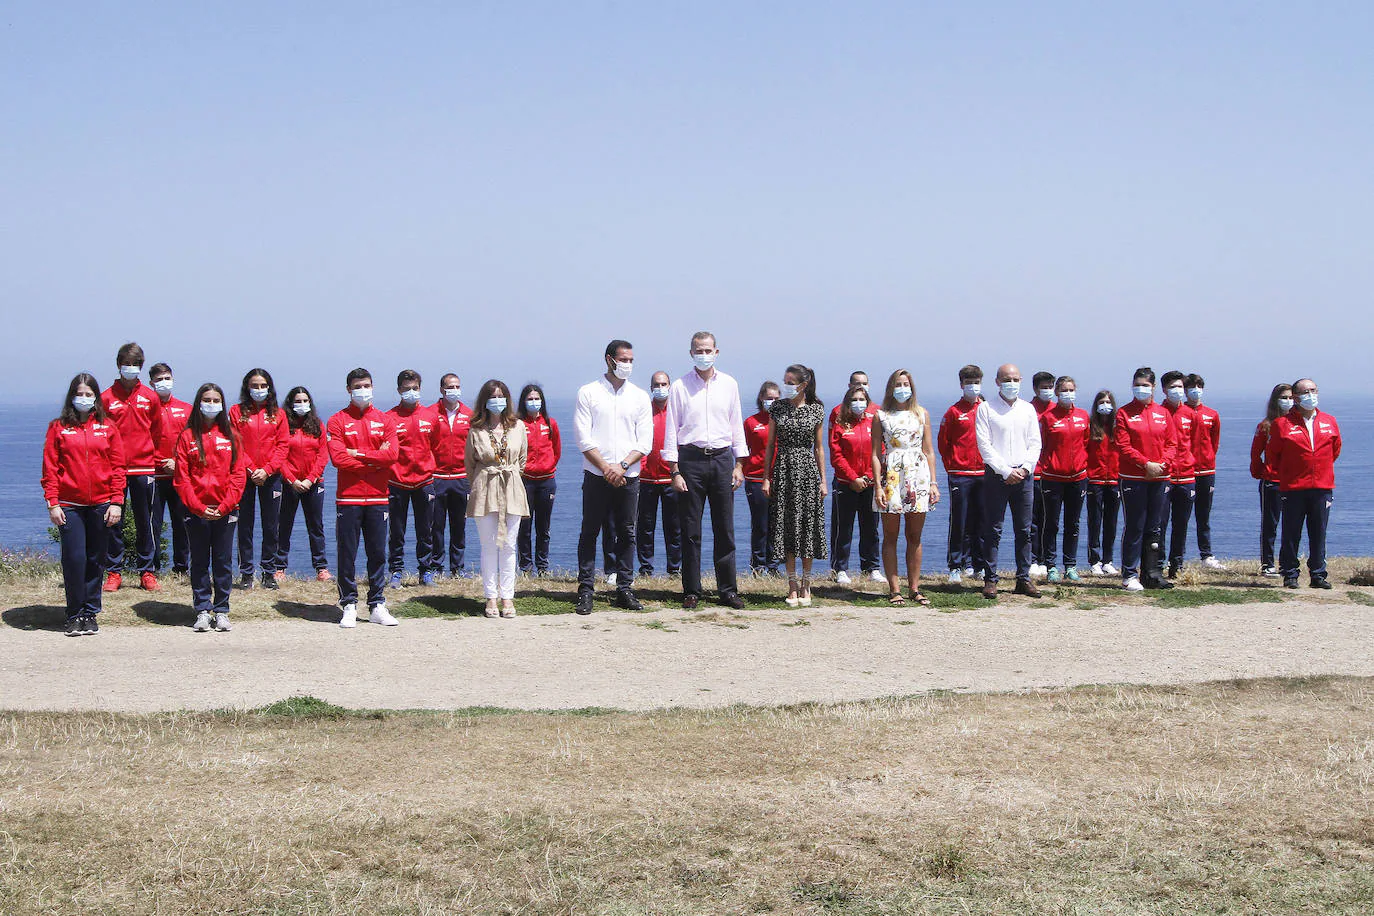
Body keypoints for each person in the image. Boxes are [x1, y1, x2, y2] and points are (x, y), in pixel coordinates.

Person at [663, 331, 749, 610]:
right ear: (691, 353)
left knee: (725, 527)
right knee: (690, 529)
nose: (703, 355)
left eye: (708, 350)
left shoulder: (729, 385)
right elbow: (671, 430)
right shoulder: (679, 386)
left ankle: (728, 590)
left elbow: (737, 424)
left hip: (723, 459)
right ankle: (691, 590)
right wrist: (675, 470)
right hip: (691, 460)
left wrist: (739, 464)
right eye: (698, 351)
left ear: (717, 352)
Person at [573, 340, 653, 614]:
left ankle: (625, 588)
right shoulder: (589, 392)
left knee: (627, 531)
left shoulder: (640, 396)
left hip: (628, 476)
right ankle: (585, 589)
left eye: (631, 360)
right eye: (623, 359)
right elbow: (583, 438)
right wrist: (606, 468)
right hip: (596, 475)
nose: (627, 365)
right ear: (609, 359)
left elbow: (645, 441)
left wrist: (621, 466)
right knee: (590, 530)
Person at [42, 373, 126, 636]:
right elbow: (50, 468)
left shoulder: (108, 427)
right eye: (80, 394)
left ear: (96, 398)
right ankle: (74, 613)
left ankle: (90, 612)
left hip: (102, 504)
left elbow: (118, 467)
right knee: (74, 559)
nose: (84, 398)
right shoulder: (58, 427)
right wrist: (52, 503)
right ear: (71, 396)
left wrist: (117, 502)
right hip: (69, 505)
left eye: (89, 394)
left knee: (95, 559)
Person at [327, 368, 400, 628]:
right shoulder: (336, 420)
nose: (363, 390)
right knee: (347, 553)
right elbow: (338, 459)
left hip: (379, 497)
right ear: (349, 389)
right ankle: (348, 603)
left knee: (378, 553)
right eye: (358, 386)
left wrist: (356, 453)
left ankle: (377, 603)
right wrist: (374, 459)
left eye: (367, 385)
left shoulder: (386, 420)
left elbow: (392, 456)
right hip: (348, 498)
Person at [175, 383, 248, 632]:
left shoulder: (232, 436)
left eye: (216, 400)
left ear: (222, 404)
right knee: (199, 561)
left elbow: (239, 476)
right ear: (199, 402)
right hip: (196, 511)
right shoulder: (187, 437)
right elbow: (181, 478)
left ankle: (222, 610)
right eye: (207, 399)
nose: (211, 404)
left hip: (225, 511)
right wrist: (196, 506)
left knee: (223, 561)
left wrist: (226, 505)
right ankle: (202, 610)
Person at [762, 364, 828, 606]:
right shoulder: (777, 408)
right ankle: (791, 584)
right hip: (784, 469)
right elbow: (770, 445)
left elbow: (820, 448)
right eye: (785, 380)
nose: (786, 385)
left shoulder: (816, 410)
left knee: (807, 527)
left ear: (803, 384)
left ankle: (807, 584)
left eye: (791, 381)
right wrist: (767, 477)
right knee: (787, 527)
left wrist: (823, 480)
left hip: (808, 470)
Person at [101, 342, 164, 592]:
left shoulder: (150, 397)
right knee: (112, 521)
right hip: (114, 469)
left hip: (143, 468)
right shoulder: (105, 397)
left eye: (136, 364)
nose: (131, 368)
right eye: (126, 364)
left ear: (141, 366)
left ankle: (147, 571)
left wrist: (150, 457)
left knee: (145, 522)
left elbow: (157, 432)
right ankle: (114, 572)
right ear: (118, 366)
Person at [872, 370, 939, 605]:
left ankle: (914, 588)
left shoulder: (922, 414)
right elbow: (875, 453)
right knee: (890, 535)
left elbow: (929, 450)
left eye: (906, 384)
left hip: (917, 476)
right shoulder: (880, 416)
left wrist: (933, 482)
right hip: (892, 476)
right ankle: (894, 589)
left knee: (914, 535)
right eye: (898, 384)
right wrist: (878, 487)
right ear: (891, 388)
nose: (902, 388)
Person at [976, 364, 1041, 600]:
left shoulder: (1028, 410)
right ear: (997, 382)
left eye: (1015, 379)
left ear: (1021, 380)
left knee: (1024, 530)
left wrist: (1024, 468)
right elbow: (985, 446)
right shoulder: (986, 408)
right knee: (993, 529)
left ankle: (1023, 578)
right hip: (997, 476)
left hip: (1024, 476)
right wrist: (1005, 471)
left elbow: (1035, 442)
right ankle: (990, 579)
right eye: (1006, 379)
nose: (1011, 383)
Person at [466, 380, 529, 617]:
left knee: (510, 545)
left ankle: (508, 597)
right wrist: (482, 483)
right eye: (493, 396)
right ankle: (490, 597)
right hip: (485, 489)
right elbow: (470, 464)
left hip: (511, 487)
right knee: (489, 545)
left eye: (501, 396)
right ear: (484, 400)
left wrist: (510, 475)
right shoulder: (476, 429)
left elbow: (522, 459)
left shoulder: (518, 426)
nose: (497, 400)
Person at [1114, 367, 1180, 591]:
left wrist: (1162, 464)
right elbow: (1123, 446)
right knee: (1135, 526)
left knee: (1155, 527)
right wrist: (1146, 464)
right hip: (1133, 478)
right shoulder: (1124, 413)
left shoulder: (1163, 413)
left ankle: (1152, 573)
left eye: (1145, 385)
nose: (1141, 389)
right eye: (1137, 385)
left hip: (1160, 478)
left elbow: (1173, 444)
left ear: (1153, 387)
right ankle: (1129, 575)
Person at [1272, 379, 1341, 589]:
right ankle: (1290, 573)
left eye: (1313, 390)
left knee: (1319, 532)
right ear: (1295, 397)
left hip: (1322, 487)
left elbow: (1335, 450)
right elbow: (1274, 455)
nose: (1310, 395)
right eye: (1305, 392)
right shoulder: (1282, 424)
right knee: (1291, 532)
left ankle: (1318, 574)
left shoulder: (1329, 421)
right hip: (1293, 488)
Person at [229, 368, 288, 591]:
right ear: (247, 387)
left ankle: (268, 572)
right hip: (244, 476)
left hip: (271, 477)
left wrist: (268, 469)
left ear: (270, 388)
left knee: (271, 526)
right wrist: (252, 469)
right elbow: (235, 443)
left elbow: (283, 446)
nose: (259, 390)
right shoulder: (236, 412)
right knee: (244, 525)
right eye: (255, 386)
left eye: (263, 386)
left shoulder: (279, 414)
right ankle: (246, 573)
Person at [387, 369, 439, 586]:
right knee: (397, 531)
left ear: (420, 388)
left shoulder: (431, 416)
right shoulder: (389, 418)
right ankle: (396, 571)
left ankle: (425, 571)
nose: (411, 392)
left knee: (425, 530)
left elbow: (435, 445)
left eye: (415, 389)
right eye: (407, 389)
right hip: (397, 482)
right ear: (399, 390)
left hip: (424, 482)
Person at [1038, 376, 1090, 582]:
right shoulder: (1048, 418)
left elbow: (1086, 444)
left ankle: (1070, 566)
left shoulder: (1083, 416)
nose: (1068, 393)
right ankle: (1050, 565)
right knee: (1051, 523)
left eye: (1071, 389)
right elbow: (1041, 445)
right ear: (1057, 393)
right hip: (1052, 478)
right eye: (1064, 390)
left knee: (1073, 523)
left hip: (1078, 478)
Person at [937, 364, 985, 584]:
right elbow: (943, 442)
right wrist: (952, 467)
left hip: (984, 474)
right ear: (961, 385)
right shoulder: (954, 412)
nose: (973, 387)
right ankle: (956, 566)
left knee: (982, 521)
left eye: (976, 383)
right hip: (960, 474)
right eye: (969, 383)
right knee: (960, 521)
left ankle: (979, 565)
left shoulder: (986, 410)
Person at [277, 386, 331, 580]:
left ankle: (321, 568)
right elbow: (280, 455)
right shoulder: (283, 425)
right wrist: (292, 480)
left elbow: (323, 454)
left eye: (305, 400)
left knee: (316, 526)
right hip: (288, 484)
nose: (301, 404)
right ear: (291, 404)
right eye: (297, 401)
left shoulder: (317, 425)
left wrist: (310, 479)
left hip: (313, 484)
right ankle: (279, 567)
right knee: (284, 525)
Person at [830, 382, 879, 586]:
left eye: (862, 400)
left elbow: (880, 450)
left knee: (871, 528)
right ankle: (840, 569)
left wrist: (867, 477)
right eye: (854, 400)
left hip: (869, 484)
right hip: (846, 484)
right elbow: (836, 454)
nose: (858, 403)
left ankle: (872, 568)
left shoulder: (873, 422)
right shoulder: (841, 423)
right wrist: (853, 478)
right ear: (848, 402)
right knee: (844, 528)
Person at [636, 372, 682, 578]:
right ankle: (646, 569)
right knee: (645, 527)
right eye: (656, 384)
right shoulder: (645, 411)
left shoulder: (677, 411)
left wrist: (678, 471)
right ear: (650, 387)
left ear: (670, 385)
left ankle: (675, 569)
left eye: (664, 384)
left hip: (672, 478)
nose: (660, 387)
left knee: (674, 527)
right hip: (646, 479)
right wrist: (641, 468)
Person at [149, 362, 191, 576]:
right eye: (159, 380)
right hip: (154, 476)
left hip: (179, 475)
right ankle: (152, 569)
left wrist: (178, 463)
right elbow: (139, 441)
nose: (164, 383)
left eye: (167, 378)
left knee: (182, 523)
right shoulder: (146, 409)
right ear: (151, 383)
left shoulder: (186, 409)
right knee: (152, 525)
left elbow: (192, 442)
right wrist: (160, 461)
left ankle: (181, 568)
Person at [431, 373, 473, 578]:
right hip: (436, 478)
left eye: (457, 386)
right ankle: (436, 567)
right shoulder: (430, 414)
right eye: (450, 387)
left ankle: (457, 569)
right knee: (435, 526)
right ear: (441, 389)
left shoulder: (470, 415)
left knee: (459, 526)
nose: (454, 390)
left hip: (460, 478)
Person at [517, 383, 561, 576]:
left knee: (543, 528)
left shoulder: (550, 424)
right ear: (523, 402)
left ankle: (543, 567)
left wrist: (548, 466)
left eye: (537, 399)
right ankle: (526, 568)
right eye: (530, 399)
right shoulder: (518, 425)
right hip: (524, 481)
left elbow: (556, 451)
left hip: (546, 482)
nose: (534, 402)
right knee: (524, 527)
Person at [1250, 384, 1293, 577]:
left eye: (1291, 397)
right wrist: (1262, 472)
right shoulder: (1265, 426)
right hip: (1272, 482)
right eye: (1283, 397)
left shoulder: (1297, 425)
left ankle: (1288, 563)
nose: (1288, 401)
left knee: (1292, 524)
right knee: (1270, 524)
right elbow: (1255, 453)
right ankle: (1267, 563)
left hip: (1293, 483)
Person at [1159, 370, 1197, 579]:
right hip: (1165, 477)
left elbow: (1197, 443)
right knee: (1160, 523)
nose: (1177, 391)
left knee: (1181, 524)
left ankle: (1177, 564)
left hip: (1187, 477)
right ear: (1164, 390)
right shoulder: (1159, 413)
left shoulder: (1190, 414)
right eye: (1173, 387)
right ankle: (1158, 562)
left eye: (1180, 387)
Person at [1186, 374, 1224, 570]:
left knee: (1204, 515)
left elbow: (1214, 442)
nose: (1196, 390)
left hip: (1206, 471)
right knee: (1179, 516)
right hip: (1184, 472)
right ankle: (1175, 556)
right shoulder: (1180, 413)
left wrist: (1208, 458)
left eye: (1199, 386)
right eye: (1192, 386)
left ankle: (1206, 555)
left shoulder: (1212, 414)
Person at [742, 381, 779, 576]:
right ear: (761, 399)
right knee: (760, 524)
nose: (772, 402)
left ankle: (773, 566)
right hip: (755, 478)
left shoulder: (784, 422)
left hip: (779, 479)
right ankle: (758, 565)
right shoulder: (751, 422)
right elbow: (742, 449)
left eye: (776, 398)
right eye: (768, 398)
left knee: (776, 524)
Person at [1085, 390, 1121, 577]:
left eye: (1108, 402)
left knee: (1111, 522)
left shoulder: (1118, 427)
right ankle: (1095, 561)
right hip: (1095, 481)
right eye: (1101, 402)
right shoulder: (1090, 426)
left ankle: (1108, 560)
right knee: (1095, 522)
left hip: (1115, 481)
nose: (1105, 405)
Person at [1028, 369, 1057, 579]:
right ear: (1035, 389)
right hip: (1032, 473)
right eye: (1044, 388)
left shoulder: (1057, 410)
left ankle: (1048, 560)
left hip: (1052, 474)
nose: (1047, 391)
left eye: (1050, 387)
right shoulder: (1028, 410)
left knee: (1050, 520)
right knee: (1031, 520)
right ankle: (1033, 559)